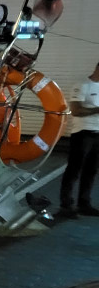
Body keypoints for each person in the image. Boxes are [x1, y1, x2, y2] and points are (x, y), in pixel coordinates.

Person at [59, 60, 99, 218]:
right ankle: (66, 206)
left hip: (98, 134)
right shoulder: (82, 85)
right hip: (83, 133)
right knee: (74, 170)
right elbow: (75, 110)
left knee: (91, 171)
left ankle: (84, 204)